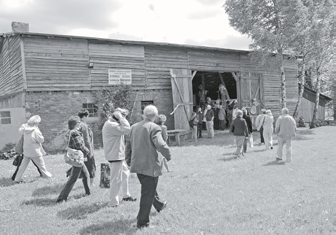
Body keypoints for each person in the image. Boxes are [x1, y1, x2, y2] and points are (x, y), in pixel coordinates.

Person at [125, 105, 171, 229]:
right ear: (155, 116)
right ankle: (142, 222)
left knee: (148, 187)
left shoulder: (134, 127)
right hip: (150, 165)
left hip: (137, 165)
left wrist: (128, 160)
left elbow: (128, 145)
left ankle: (159, 205)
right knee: (147, 192)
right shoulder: (154, 127)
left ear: (144, 115)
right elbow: (161, 144)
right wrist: (168, 155)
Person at [102, 108, 136, 207]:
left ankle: (126, 195)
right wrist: (121, 117)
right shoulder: (111, 125)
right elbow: (127, 129)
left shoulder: (112, 124)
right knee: (115, 179)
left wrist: (120, 117)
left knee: (125, 173)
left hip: (118, 154)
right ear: (118, 117)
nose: (125, 119)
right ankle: (113, 202)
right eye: (124, 116)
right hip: (115, 155)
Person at [57, 116, 91, 203]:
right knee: (73, 178)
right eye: (79, 123)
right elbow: (79, 145)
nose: (80, 124)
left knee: (86, 174)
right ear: (76, 124)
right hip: (77, 158)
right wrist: (88, 152)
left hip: (76, 157)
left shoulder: (70, 132)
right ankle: (61, 198)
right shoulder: (75, 133)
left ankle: (88, 193)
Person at [14, 115, 52, 183]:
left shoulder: (25, 130)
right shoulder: (35, 131)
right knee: (41, 165)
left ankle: (17, 178)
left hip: (26, 151)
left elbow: (21, 131)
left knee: (22, 166)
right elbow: (41, 140)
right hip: (35, 151)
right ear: (36, 123)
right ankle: (47, 176)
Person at [66, 109, 96, 186]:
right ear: (85, 116)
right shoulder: (83, 125)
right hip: (85, 150)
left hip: (80, 151)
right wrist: (89, 152)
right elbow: (86, 139)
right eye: (87, 116)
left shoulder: (79, 124)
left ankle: (71, 174)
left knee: (81, 167)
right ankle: (91, 184)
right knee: (91, 167)